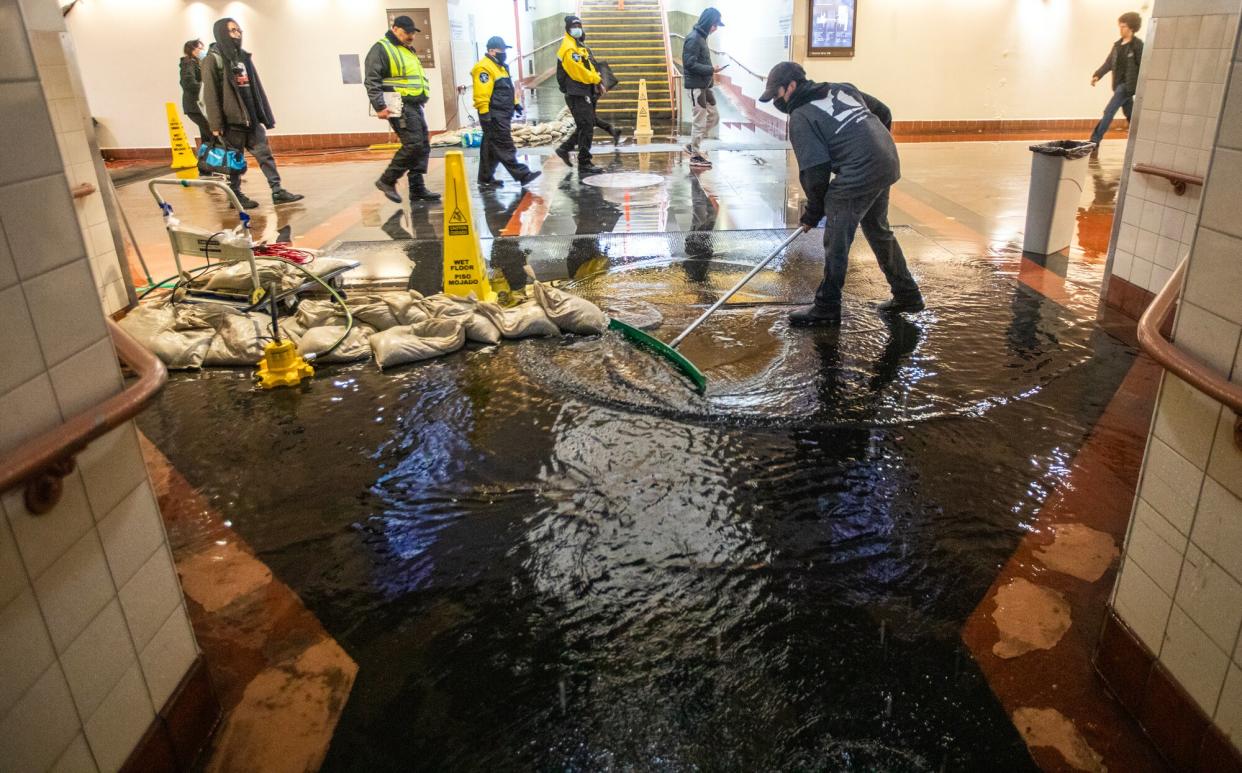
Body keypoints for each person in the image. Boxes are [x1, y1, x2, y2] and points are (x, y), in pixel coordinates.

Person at [758, 62, 923, 326]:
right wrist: (873, 144)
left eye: (777, 95)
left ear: (791, 85)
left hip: (861, 169)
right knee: (876, 228)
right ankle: (907, 294)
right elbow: (883, 112)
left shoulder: (801, 116)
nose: (778, 102)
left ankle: (827, 306)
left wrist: (814, 212)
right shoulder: (842, 88)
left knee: (836, 236)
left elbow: (815, 172)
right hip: (886, 161)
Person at [200, 18, 303, 209]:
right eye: (232, 31)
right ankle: (236, 195)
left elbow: (256, 88)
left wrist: (264, 115)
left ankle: (277, 190)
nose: (237, 34)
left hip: (252, 119)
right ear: (222, 33)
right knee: (234, 162)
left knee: (265, 155)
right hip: (231, 122)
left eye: (239, 30)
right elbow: (210, 94)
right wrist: (215, 125)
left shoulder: (243, 57)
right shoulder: (213, 60)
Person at [366, 15, 441, 204]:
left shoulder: (407, 50)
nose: (411, 36)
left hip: (414, 104)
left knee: (422, 144)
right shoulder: (382, 48)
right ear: (395, 28)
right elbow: (371, 79)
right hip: (398, 104)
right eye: (407, 32)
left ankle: (417, 189)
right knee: (413, 144)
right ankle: (387, 180)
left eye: (412, 33)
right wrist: (380, 106)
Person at [472, 36, 541, 189]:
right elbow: (481, 93)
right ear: (491, 50)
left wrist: (516, 104)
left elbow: (508, 88)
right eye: (501, 50)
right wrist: (484, 113)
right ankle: (522, 174)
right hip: (493, 114)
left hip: (503, 113)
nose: (504, 53)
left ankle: (485, 179)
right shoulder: (484, 68)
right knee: (504, 145)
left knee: (490, 147)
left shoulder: (501, 67)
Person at [554, 15, 606, 177]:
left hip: (583, 90)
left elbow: (588, 65)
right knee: (587, 126)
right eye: (574, 26)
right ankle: (584, 162)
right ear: (568, 28)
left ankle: (564, 149)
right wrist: (596, 79)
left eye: (579, 25)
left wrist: (597, 81)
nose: (578, 28)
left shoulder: (577, 45)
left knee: (586, 124)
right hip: (576, 92)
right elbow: (578, 72)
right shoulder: (569, 48)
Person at [1089, 12, 1144, 149]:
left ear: (1131, 27)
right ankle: (1142, 138)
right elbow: (1109, 63)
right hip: (1119, 85)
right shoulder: (1118, 45)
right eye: (1120, 26)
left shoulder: (1137, 46)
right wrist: (1098, 75)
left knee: (1109, 112)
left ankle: (1094, 141)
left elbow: (1144, 65)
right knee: (1130, 114)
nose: (1121, 29)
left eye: (1123, 26)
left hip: (1127, 86)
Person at [681, 8, 725, 168]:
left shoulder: (701, 38)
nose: (715, 28)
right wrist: (711, 69)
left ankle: (693, 145)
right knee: (699, 122)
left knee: (714, 117)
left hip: (705, 87)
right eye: (715, 24)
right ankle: (695, 156)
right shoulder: (694, 39)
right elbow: (690, 64)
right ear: (708, 22)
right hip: (696, 87)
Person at [179, 40, 210, 143]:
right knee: (211, 133)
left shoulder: (196, 64)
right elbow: (188, 82)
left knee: (207, 136)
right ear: (192, 50)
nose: (203, 51)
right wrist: (206, 87)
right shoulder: (189, 63)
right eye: (200, 48)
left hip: (198, 106)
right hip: (195, 106)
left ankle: (206, 158)